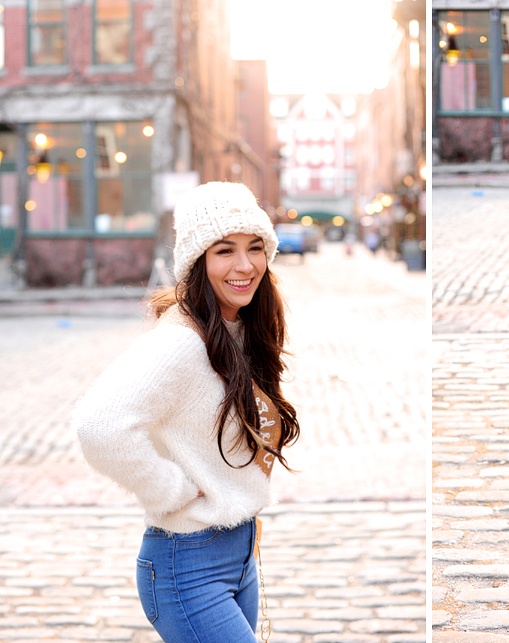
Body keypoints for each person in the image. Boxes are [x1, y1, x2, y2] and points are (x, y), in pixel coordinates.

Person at [74, 182, 300, 642]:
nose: (245, 265)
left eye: (255, 248)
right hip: (187, 567)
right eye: (224, 251)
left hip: (239, 555)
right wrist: (171, 490)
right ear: (198, 263)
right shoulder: (181, 341)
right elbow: (98, 426)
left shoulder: (238, 330)